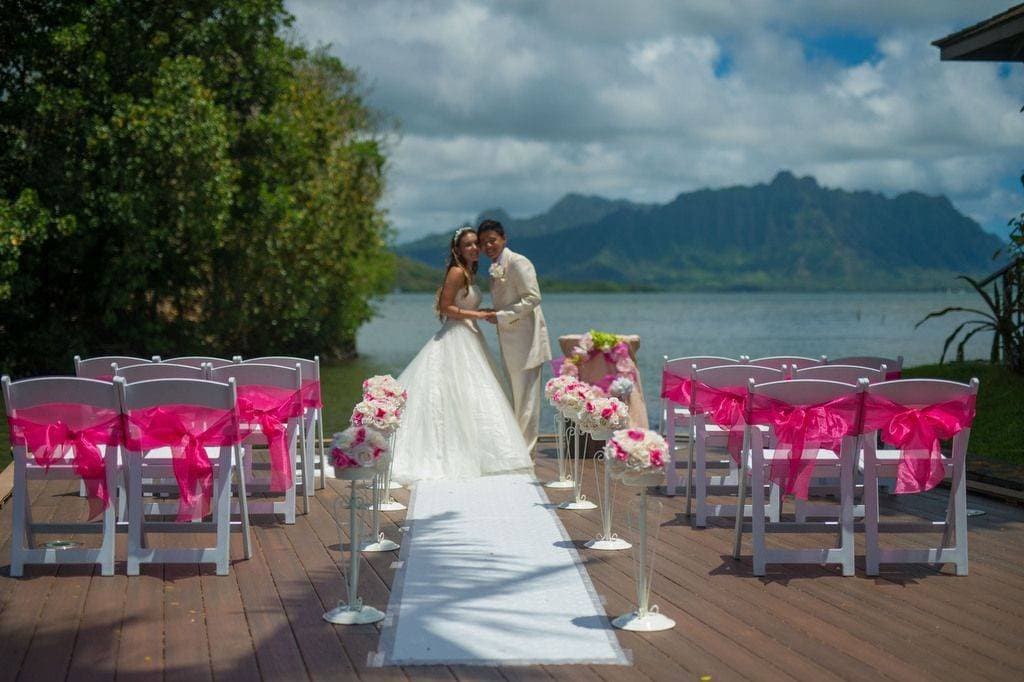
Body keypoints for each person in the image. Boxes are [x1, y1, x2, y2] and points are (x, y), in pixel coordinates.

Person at [389, 226, 532, 484]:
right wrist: (477, 314)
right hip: (456, 336)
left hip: (469, 335)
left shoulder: (469, 273)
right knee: (453, 393)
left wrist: (482, 311)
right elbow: (445, 308)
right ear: (457, 250)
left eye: (476, 244)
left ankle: (477, 451)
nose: (475, 248)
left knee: (471, 395)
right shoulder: (456, 272)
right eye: (468, 245)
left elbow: (462, 304)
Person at [478, 219, 552, 455]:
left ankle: (526, 453)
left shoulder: (518, 262)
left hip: (526, 339)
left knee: (527, 399)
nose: (488, 246)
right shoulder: (495, 266)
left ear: (503, 239)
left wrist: (500, 316)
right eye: (483, 243)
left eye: (492, 240)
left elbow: (533, 298)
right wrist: (493, 313)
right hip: (509, 340)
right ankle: (517, 449)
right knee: (515, 396)